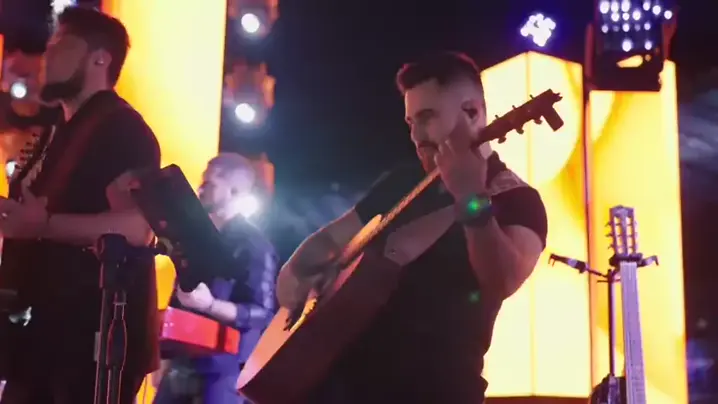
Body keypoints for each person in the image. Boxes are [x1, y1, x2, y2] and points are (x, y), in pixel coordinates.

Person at [276, 52, 548, 403]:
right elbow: (331, 238)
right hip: (342, 387)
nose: (416, 135)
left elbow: (502, 281)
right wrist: (299, 275)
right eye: (410, 122)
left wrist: (470, 197)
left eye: (427, 117)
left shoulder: (518, 200)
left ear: (472, 113)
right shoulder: (403, 181)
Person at [0, 7, 161, 404]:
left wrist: (44, 225)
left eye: (62, 45)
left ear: (100, 59)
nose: (48, 55)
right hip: (42, 337)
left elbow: (138, 228)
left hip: (90, 343)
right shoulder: (58, 131)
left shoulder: (123, 128)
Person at [153, 153, 278, 404]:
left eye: (209, 183)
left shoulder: (255, 246)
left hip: (222, 373)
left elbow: (262, 314)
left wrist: (210, 305)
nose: (200, 189)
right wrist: (162, 358)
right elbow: (179, 299)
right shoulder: (195, 238)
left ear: (234, 191)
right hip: (181, 364)